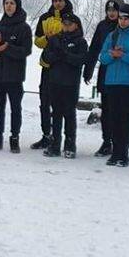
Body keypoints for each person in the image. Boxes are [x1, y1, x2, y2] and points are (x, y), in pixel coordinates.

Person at [98, 2, 129, 168]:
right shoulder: (112, 35)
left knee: (125, 118)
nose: (122, 21)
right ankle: (114, 151)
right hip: (112, 81)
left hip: (128, 83)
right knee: (113, 117)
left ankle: (123, 152)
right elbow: (102, 57)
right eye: (120, 18)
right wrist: (112, 55)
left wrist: (123, 55)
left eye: (126, 18)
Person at [0, 0, 33, 151]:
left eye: (12, 3)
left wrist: (7, 47)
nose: (9, 6)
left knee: (15, 108)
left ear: (17, 6)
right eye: (6, 3)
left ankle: (14, 138)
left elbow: (25, 50)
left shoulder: (24, 28)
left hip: (15, 75)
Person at [40, 10, 88, 158]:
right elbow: (46, 57)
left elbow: (80, 60)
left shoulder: (81, 42)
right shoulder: (55, 39)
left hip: (70, 83)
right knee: (56, 113)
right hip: (54, 81)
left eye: (69, 24)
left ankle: (70, 144)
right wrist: (57, 55)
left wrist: (65, 55)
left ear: (76, 25)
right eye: (64, 23)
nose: (66, 26)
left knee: (69, 113)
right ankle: (55, 144)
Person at [33, 0, 75, 153]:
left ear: (65, 1)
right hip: (47, 65)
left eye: (60, 0)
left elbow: (75, 37)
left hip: (64, 68)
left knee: (62, 105)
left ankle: (63, 139)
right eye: (55, 0)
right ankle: (46, 134)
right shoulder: (45, 18)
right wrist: (48, 38)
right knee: (44, 102)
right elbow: (37, 41)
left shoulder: (70, 18)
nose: (58, 3)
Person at [84, 0, 123, 156]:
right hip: (105, 72)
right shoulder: (102, 26)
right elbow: (94, 48)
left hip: (121, 75)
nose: (112, 13)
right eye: (109, 10)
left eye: (115, 10)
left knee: (119, 111)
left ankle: (120, 143)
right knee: (106, 110)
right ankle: (107, 142)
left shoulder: (125, 26)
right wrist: (88, 69)